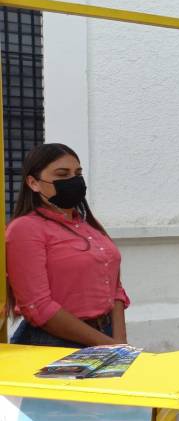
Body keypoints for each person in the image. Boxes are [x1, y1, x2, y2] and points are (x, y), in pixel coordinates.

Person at [6, 143, 129, 348]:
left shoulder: (87, 225)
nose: (73, 180)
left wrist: (120, 341)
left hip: (105, 336)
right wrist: (108, 345)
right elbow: (39, 307)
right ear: (33, 183)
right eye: (62, 174)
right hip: (54, 342)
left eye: (77, 173)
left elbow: (115, 289)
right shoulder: (25, 229)